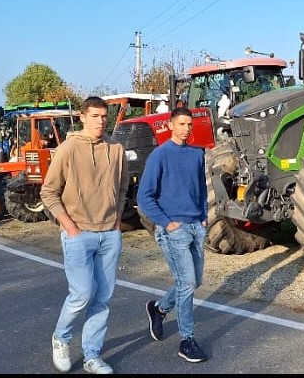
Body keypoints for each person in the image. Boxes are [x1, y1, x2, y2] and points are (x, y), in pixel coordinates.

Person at [40, 96, 128, 375]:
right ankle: (61, 338)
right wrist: (70, 227)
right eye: (95, 116)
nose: (101, 121)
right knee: (81, 294)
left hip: (109, 234)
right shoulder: (68, 149)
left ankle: (92, 355)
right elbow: (48, 193)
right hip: (79, 233)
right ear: (82, 117)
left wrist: (116, 221)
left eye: (104, 116)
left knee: (102, 298)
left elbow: (123, 187)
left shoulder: (116, 149)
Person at [138, 107, 210, 364]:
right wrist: (168, 224)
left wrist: (204, 217)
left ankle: (158, 309)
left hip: (196, 227)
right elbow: (144, 197)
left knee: (194, 281)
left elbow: (201, 189)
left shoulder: (196, 154)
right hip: (174, 230)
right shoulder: (159, 156)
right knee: (187, 282)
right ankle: (187, 340)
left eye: (189, 124)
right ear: (170, 126)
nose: (186, 129)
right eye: (181, 124)